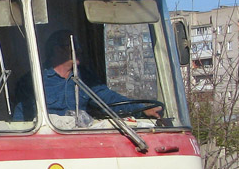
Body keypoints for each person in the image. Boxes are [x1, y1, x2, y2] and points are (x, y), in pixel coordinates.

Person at [15, 29, 161, 121]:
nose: (79, 50)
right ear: (57, 49)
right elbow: (20, 122)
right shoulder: (32, 81)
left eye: (78, 46)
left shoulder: (85, 77)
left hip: (80, 138)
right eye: (73, 46)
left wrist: (142, 109)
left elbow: (108, 100)